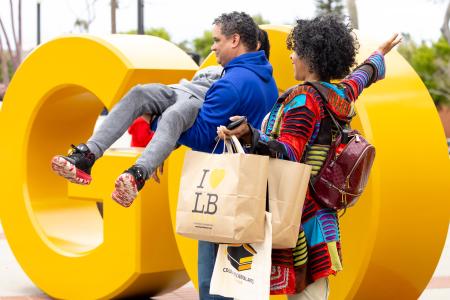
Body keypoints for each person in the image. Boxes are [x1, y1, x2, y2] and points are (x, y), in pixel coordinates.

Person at [218, 14, 401, 300]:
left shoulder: (303, 99)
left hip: (298, 217)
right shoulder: (339, 93)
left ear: (312, 58)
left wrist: (252, 135)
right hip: (324, 219)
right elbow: (361, 77)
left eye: (297, 50)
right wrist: (379, 55)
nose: (291, 56)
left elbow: (290, 152)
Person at [51, 22, 273, 208]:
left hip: (197, 104)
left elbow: (196, 125)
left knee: (174, 115)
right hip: (177, 90)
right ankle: (87, 156)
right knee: (139, 92)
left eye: (218, 41)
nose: (214, 47)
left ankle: (138, 174)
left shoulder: (241, 80)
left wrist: (157, 135)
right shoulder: (221, 68)